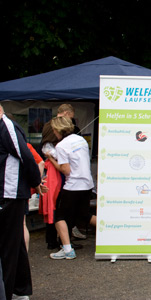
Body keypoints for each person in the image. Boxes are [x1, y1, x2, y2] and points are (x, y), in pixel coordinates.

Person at [0, 105, 45, 300]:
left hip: (9, 194)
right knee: (14, 243)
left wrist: (36, 182)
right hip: (7, 193)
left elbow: (26, 155)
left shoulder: (7, 126)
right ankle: (20, 290)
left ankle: (9, 292)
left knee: (9, 246)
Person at [45, 116, 96, 260]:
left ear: (57, 130)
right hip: (87, 184)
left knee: (59, 216)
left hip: (73, 185)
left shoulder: (61, 146)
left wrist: (52, 159)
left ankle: (67, 249)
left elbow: (66, 170)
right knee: (84, 215)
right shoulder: (81, 140)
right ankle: (110, 234)